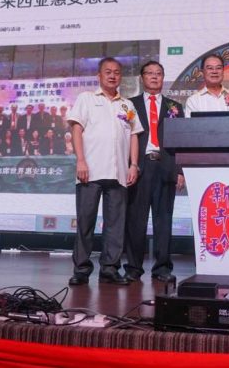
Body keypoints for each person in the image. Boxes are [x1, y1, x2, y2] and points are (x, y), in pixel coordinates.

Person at [67, 57, 143, 286]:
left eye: (117, 72)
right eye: (108, 72)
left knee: (116, 225)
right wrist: (81, 161)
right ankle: (81, 269)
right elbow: (76, 130)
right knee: (85, 222)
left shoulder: (127, 105)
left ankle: (110, 268)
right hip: (90, 171)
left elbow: (134, 135)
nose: (112, 75)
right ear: (99, 76)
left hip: (119, 172)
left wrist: (133, 164)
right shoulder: (87, 98)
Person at [123, 61, 185, 283]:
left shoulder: (174, 106)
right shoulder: (129, 105)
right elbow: (124, 137)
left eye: (158, 73)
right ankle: (133, 268)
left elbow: (181, 140)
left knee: (164, 219)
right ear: (142, 78)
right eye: (150, 73)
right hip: (139, 166)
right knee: (135, 219)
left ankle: (162, 268)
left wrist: (180, 170)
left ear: (163, 78)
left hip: (166, 166)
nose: (154, 77)